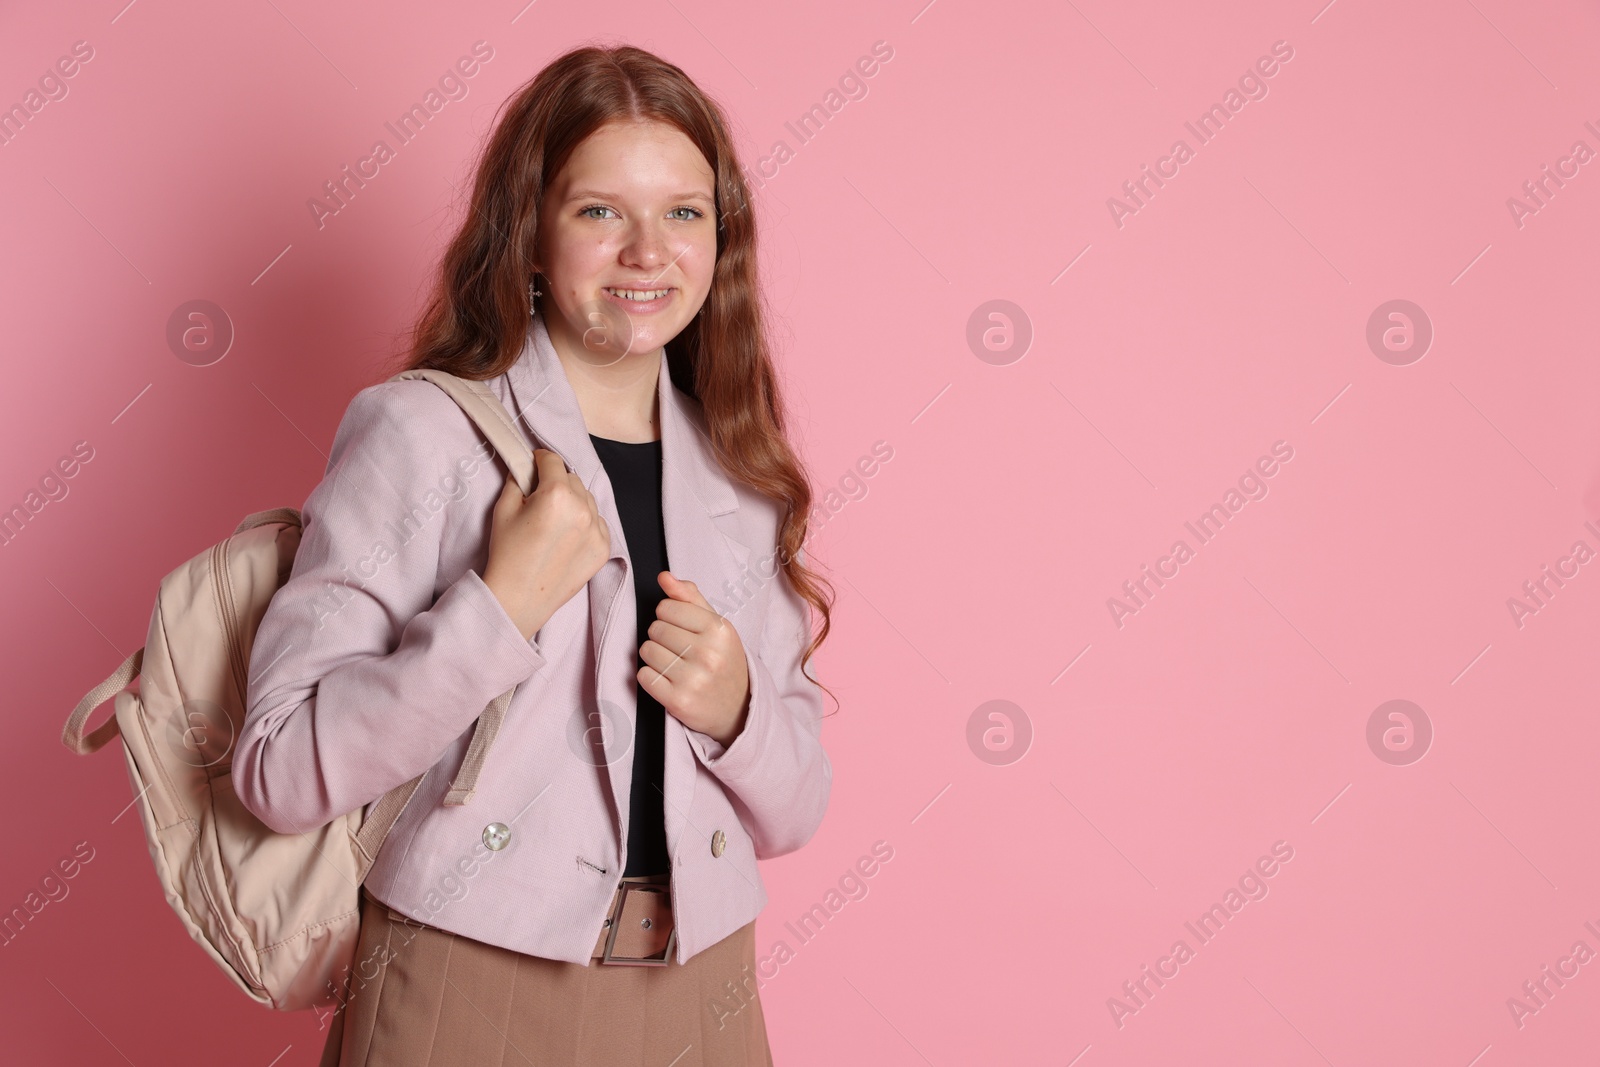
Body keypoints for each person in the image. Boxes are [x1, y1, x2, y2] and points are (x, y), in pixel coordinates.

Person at [235, 42, 835, 1067]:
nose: (649, 251)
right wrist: (494, 612)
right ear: (529, 236)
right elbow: (278, 770)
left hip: (706, 991)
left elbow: (796, 808)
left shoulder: (740, 472)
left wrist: (737, 706)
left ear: (721, 239)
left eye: (684, 213)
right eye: (601, 210)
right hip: (469, 979)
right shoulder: (421, 435)